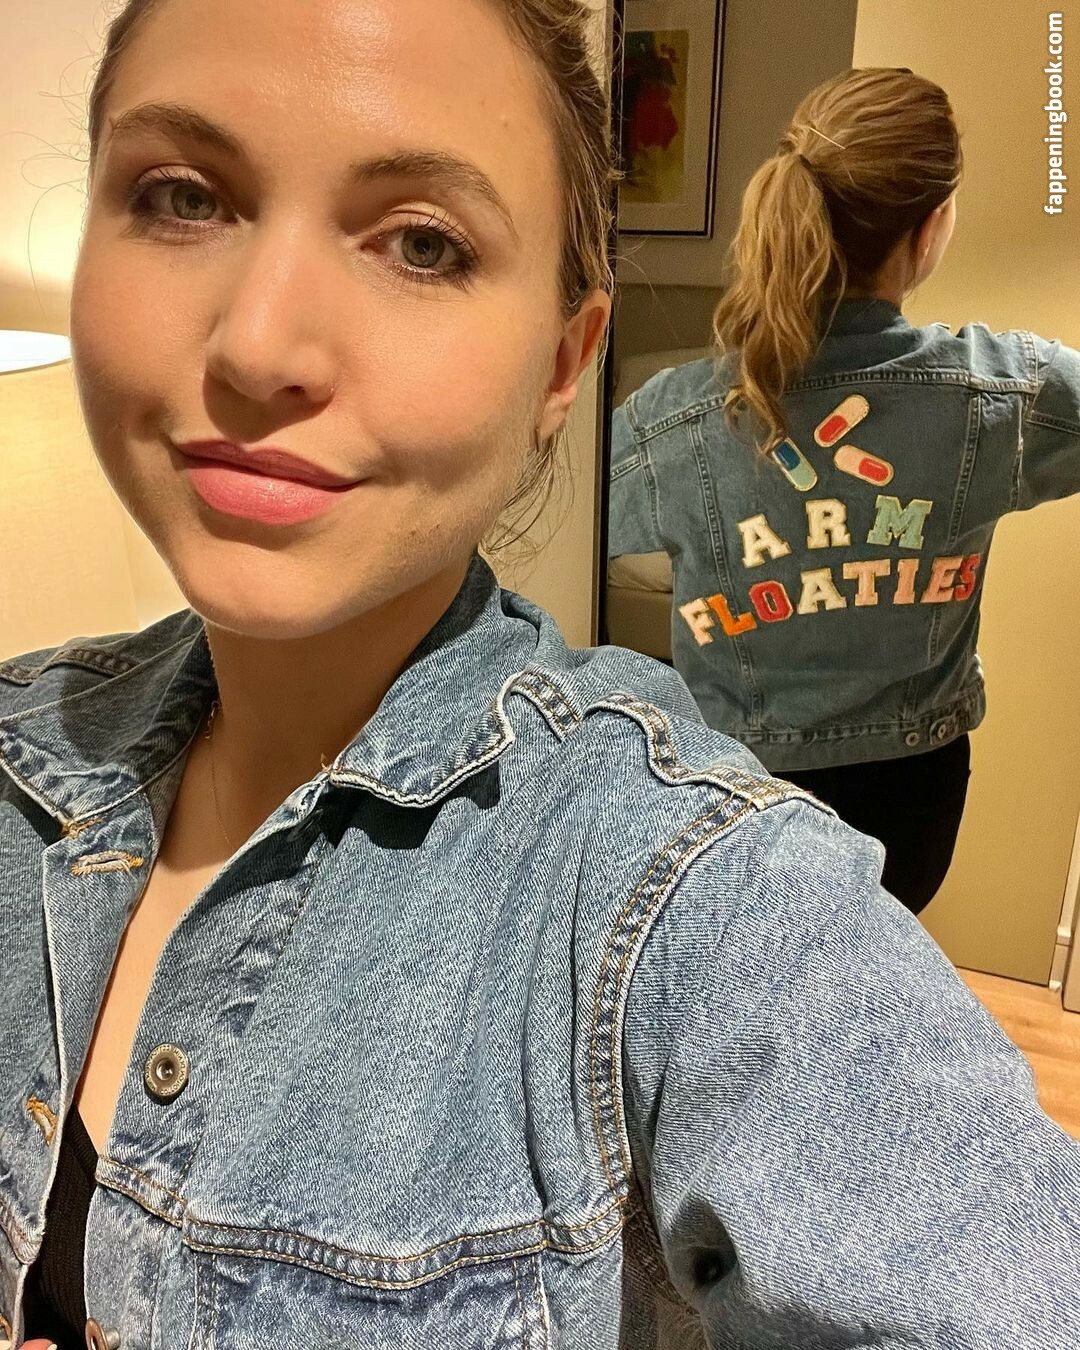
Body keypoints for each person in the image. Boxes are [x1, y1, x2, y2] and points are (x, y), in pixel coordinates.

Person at [0, 12, 1077, 1348]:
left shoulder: (703, 884)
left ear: (564, 365)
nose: (261, 345)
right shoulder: (995, 396)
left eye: (421, 244)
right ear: (930, 231)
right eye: (183, 196)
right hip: (917, 778)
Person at [607, 68, 1080, 915]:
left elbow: (546, 529)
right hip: (912, 807)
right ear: (931, 228)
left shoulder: (671, 420)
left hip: (732, 799)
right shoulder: (999, 396)